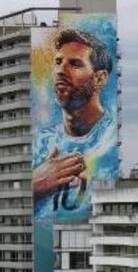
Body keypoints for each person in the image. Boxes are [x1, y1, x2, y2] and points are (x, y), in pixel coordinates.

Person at [33, 28, 118, 220]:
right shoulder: (41, 143)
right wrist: (36, 184)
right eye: (58, 62)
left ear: (99, 78)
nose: (61, 71)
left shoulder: (109, 141)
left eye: (75, 64)